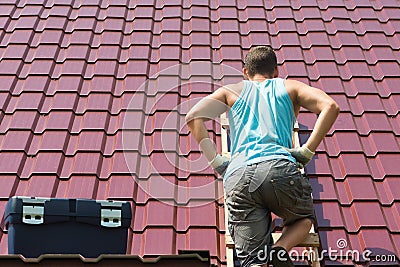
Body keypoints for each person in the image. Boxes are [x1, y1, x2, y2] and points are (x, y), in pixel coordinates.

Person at [185, 46, 339, 267]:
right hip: (279, 168)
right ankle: (280, 249)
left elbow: (193, 117)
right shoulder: (289, 86)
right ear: (276, 71)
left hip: (239, 175)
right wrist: (306, 151)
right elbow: (330, 106)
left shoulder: (232, 91)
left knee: (254, 261)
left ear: (246, 72)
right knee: (302, 220)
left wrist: (216, 161)